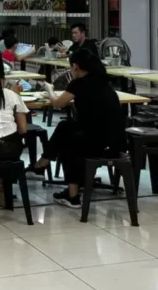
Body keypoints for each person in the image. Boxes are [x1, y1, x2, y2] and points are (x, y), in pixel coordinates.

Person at [31, 49, 127, 208]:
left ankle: (68, 191)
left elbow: (58, 103)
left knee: (67, 140)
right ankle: (44, 165)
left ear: (75, 66)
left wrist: (49, 90)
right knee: (66, 128)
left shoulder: (79, 83)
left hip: (96, 141)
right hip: (114, 140)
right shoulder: (103, 82)